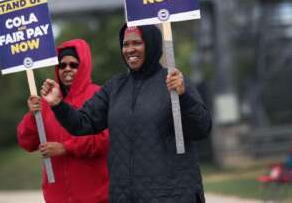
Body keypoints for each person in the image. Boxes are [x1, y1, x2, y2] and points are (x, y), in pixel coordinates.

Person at [40, 24, 212, 203]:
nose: (130, 49)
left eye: (137, 43)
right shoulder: (115, 87)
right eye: (125, 44)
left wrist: (184, 97)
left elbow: (202, 128)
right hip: (125, 197)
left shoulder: (174, 82)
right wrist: (58, 104)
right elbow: (82, 123)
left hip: (172, 196)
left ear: (151, 44)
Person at [17, 39, 109, 203]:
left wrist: (66, 148)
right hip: (57, 197)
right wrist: (33, 115)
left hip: (96, 196)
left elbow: (105, 139)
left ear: (84, 65)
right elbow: (26, 142)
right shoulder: (46, 101)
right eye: (62, 65)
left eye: (73, 65)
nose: (67, 69)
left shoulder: (99, 94)